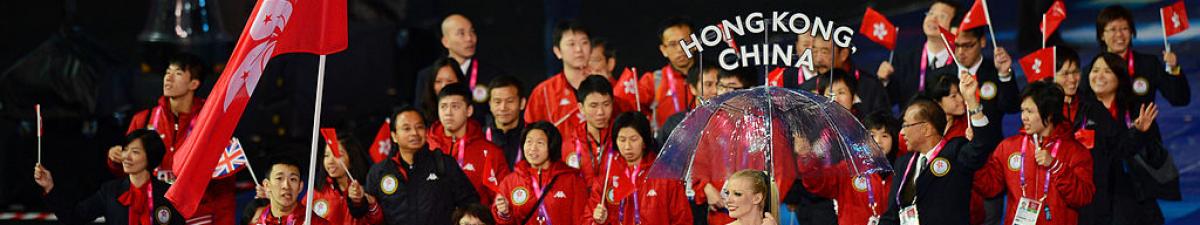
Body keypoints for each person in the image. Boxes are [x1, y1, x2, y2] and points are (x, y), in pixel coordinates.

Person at [105, 53, 234, 225]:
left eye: (178, 73)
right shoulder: (143, 120)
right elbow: (127, 174)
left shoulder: (210, 124)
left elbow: (223, 187)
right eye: (167, 72)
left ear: (194, 84)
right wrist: (116, 160)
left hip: (197, 219)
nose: (168, 78)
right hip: (153, 215)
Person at [880, 71, 1001, 225]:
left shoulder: (956, 151)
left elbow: (980, 146)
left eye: (906, 125)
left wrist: (971, 101)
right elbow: (892, 215)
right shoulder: (903, 163)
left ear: (925, 129)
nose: (902, 132)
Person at [974, 80, 1095, 225]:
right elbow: (990, 187)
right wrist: (974, 158)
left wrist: (1056, 166)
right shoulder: (1008, 147)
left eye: (1030, 111)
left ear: (1049, 114)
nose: (1023, 117)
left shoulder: (1075, 152)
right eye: (1023, 110)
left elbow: (1083, 197)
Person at [1074, 53, 1171, 225]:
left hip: (1129, 194)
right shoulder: (1079, 110)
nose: (1099, 76)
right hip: (1092, 195)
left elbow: (1143, 154)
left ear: (1120, 77)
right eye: (1095, 70)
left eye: (1107, 71)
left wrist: (1139, 132)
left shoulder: (1134, 110)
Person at [351, 106, 480, 224]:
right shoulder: (379, 171)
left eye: (419, 127)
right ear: (394, 136)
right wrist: (357, 202)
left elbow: (470, 203)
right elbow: (367, 215)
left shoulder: (444, 163)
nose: (414, 133)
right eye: (407, 128)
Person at [36, 129, 184, 225]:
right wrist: (50, 187)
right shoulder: (110, 191)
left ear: (151, 157)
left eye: (135, 152)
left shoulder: (167, 194)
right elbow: (74, 218)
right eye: (125, 150)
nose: (126, 157)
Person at [586, 112, 693, 225]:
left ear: (645, 141)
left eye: (633, 139)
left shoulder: (665, 176)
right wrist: (598, 221)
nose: (627, 147)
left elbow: (682, 219)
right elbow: (587, 217)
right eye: (622, 140)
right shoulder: (607, 175)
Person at [428, 83, 512, 205]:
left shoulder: (490, 152)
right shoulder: (424, 146)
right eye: (443, 106)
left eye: (455, 107)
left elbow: (502, 202)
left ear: (469, 110)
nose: (448, 112)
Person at [491, 121, 589, 225]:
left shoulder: (572, 180)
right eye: (528, 142)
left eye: (540, 143)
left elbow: (581, 220)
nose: (533, 148)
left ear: (552, 146)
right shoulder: (510, 181)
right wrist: (504, 214)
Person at [926, 27, 1021, 130]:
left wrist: (1004, 74)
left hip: (991, 144)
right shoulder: (939, 76)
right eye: (956, 45)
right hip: (951, 143)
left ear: (982, 41)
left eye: (967, 45)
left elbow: (1012, 108)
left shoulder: (995, 70)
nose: (961, 52)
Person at [1094, 6, 1189, 108]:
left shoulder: (1149, 64)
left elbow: (1180, 99)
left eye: (1124, 28)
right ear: (1102, 35)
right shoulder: (1093, 71)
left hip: (1145, 124)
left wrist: (1173, 69)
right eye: (1113, 29)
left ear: (1131, 32)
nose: (1119, 34)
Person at [415, 14, 503, 119]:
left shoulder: (492, 75)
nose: (470, 38)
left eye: (472, 32)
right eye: (461, 33)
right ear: (445, 41)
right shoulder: (427, 76)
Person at [877, 0, 962, 108]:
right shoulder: (904, 59)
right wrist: (883, 82)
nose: (933, 19)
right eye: (931, 13)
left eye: (942, 16)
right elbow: (888, 102)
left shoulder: (960, 62)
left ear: (954, 26)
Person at [525, 20, 593, 133]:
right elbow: (531, 136)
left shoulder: (606, 86)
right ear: (557, 52)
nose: (579, 49)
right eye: (571, 44)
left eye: (584, 42)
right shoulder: (543, 93)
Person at [633, 17, 697, 128]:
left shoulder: (712, 76)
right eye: (673, 44)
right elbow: (626, 106)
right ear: (663, 50)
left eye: (685, 42)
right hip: (667, 144)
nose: (680, 49)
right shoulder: (652, 81)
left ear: (695, 43)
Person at [309, 128, 372, 224]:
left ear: (352, 159)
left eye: (338, 155)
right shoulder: (316, 192)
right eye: (326, 155)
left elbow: (378, 220)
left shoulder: (367, 187)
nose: (330, 161)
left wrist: (364, 202)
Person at [562, 75, 618, 180]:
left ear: (612, 103)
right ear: (581, 108)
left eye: (606, 104)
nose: (600, 112)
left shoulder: (623, 138)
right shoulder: (570, 144)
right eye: (593, 106)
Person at [255, 156, 330, 225]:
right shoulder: (259, 222)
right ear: (267, 185)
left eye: (293, 179)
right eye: (279, 178)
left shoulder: (316, 223)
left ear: (300, 187)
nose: (286, 186)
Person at [485, 75, 528, 169]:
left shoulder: (532, 136)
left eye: (510, 101)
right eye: (497, 102)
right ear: (490, 105)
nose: (503, 108)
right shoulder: (480, 135)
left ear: (522, 103)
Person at [416, 57, 468, 124]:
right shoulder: (422, 112)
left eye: (449, 81)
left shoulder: (467, 109)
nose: (443, 86)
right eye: (438, 81)